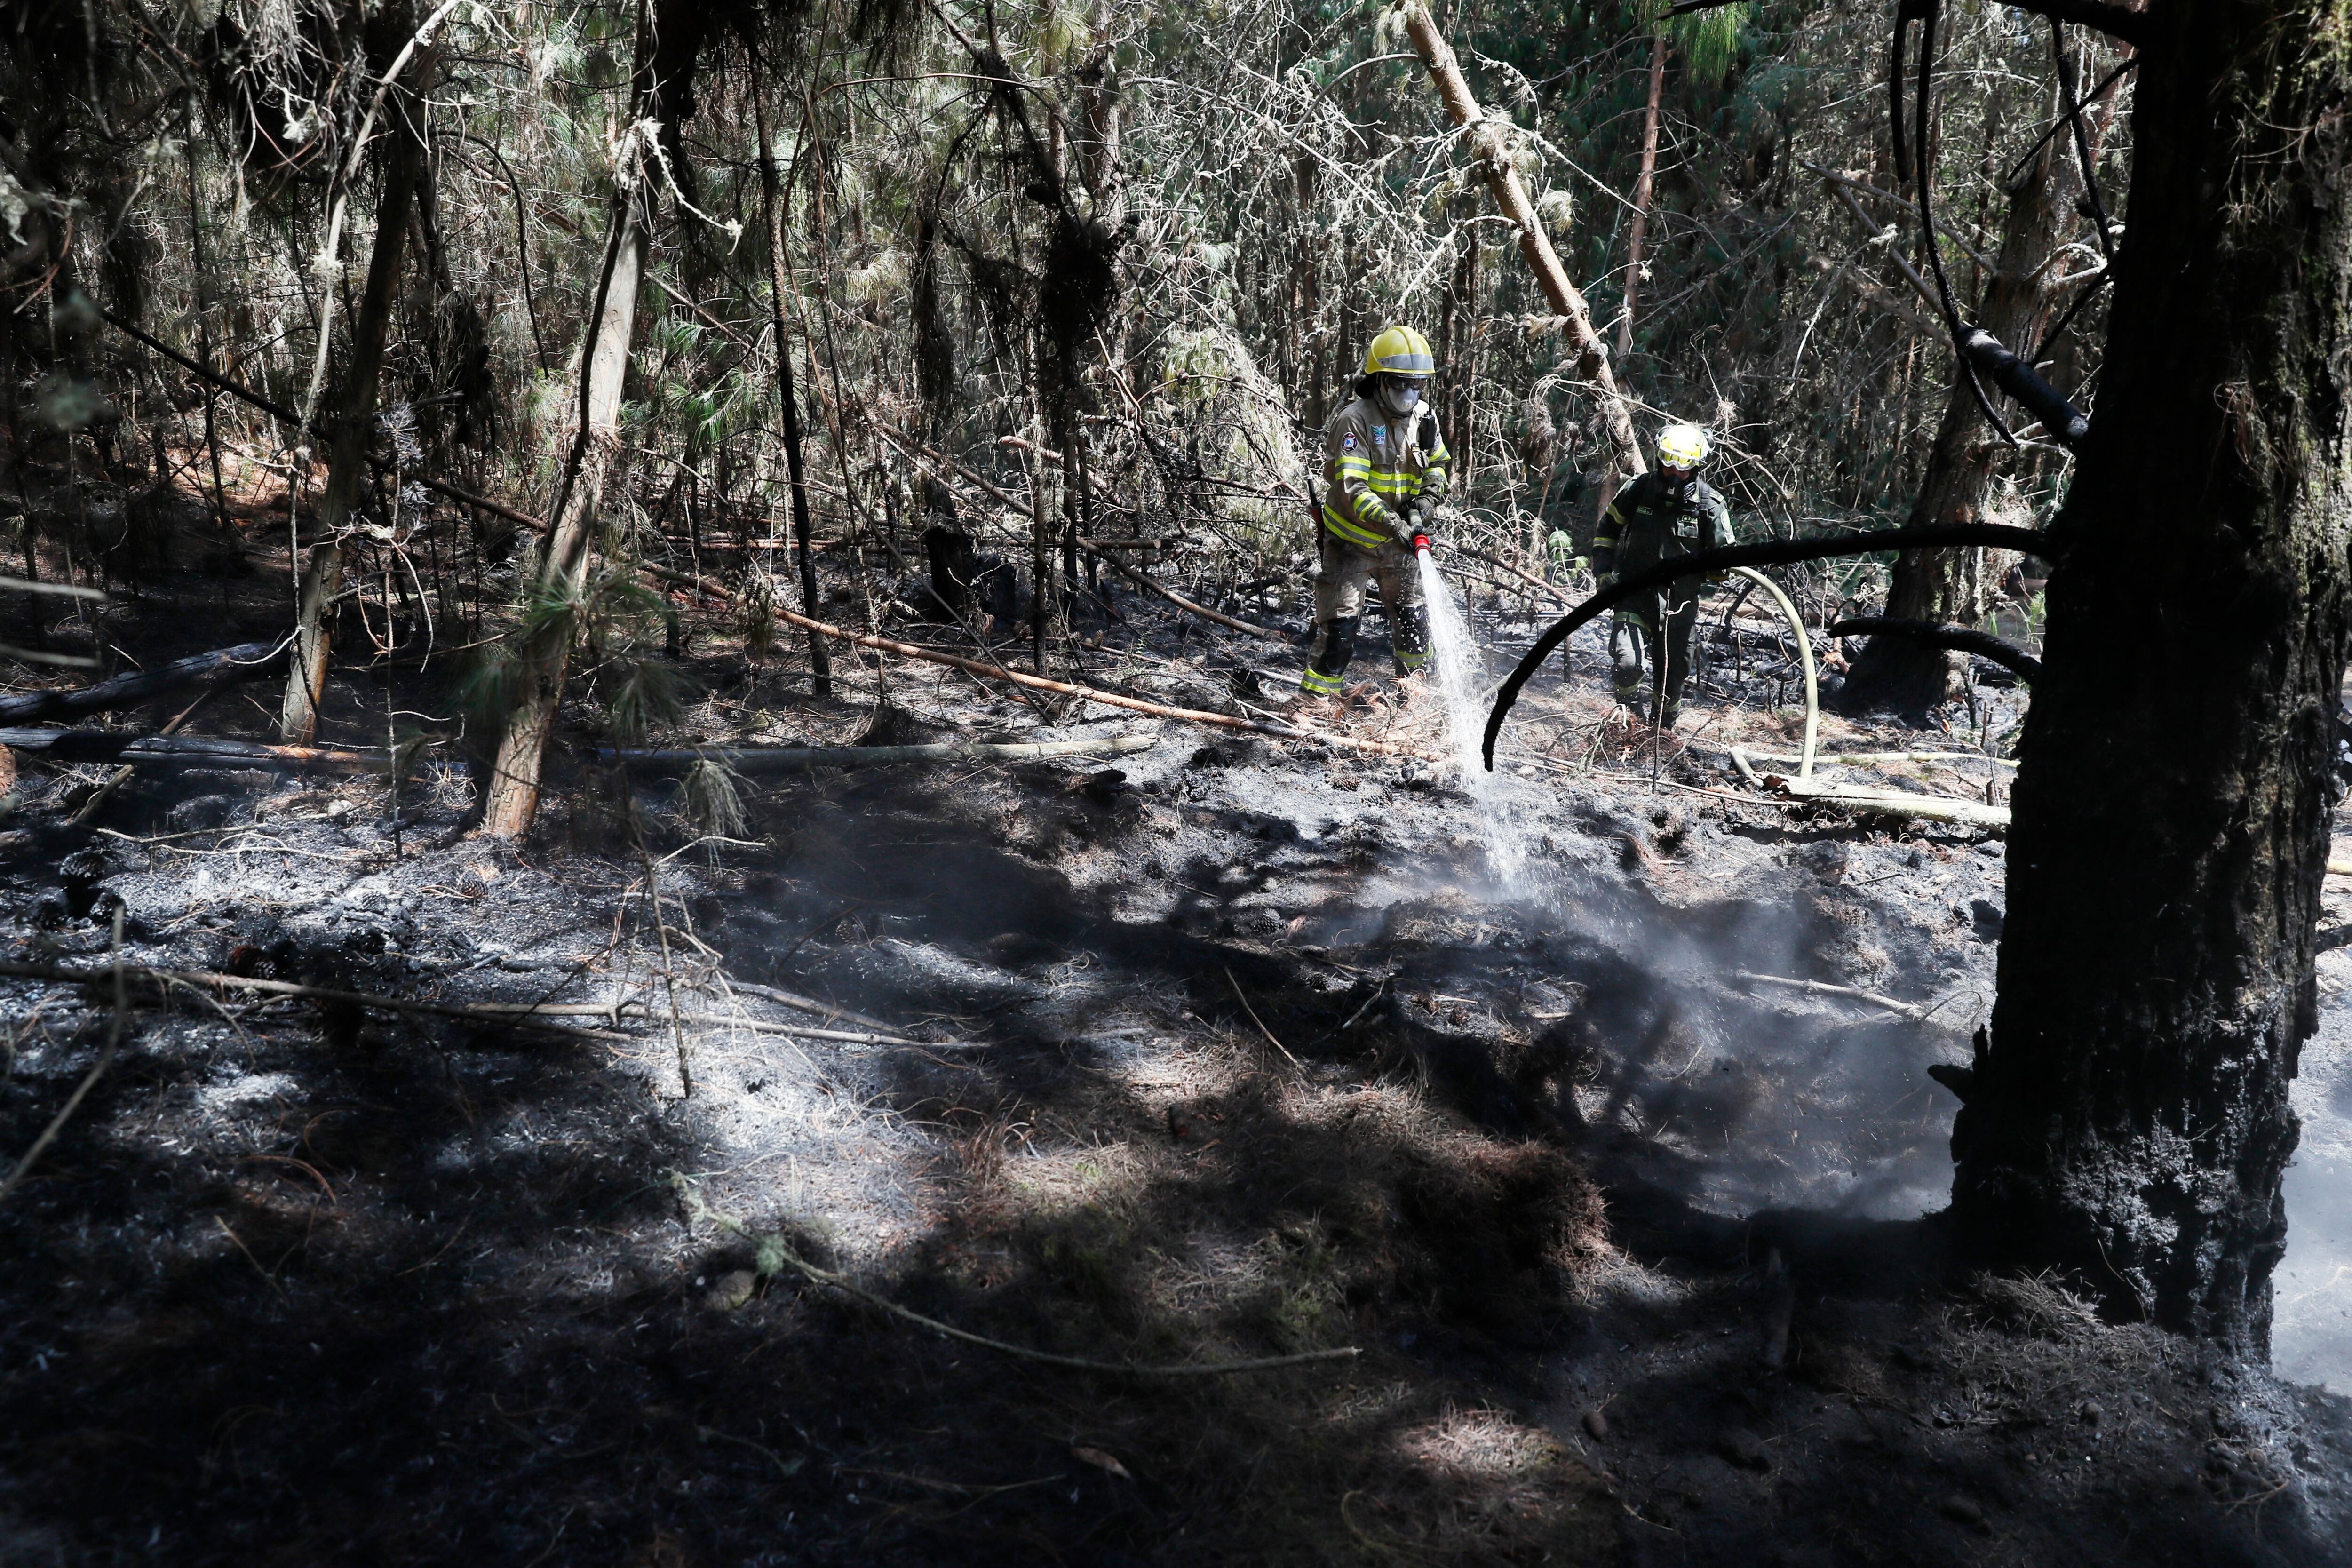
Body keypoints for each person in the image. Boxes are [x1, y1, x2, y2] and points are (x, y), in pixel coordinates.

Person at [1300, 325, 1451, 700]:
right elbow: (1354, 489)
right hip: (1352, 543)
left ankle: (1413, 701)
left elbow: (1438, 465)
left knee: (1414, 625)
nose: (1409, 393)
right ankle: (1314, 706)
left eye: (1417, 384)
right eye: (1401, 383)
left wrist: (1428, 499)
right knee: (1341, 630)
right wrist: (1395, 523)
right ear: (1380, 380)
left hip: (1399, 548)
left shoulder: (1424, 419)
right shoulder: (1356, 421)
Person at [1590, 422, 1732, 727]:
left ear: (1696, 467)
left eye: (1683, 469)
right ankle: (1629, 716)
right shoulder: (1638, 490)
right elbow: (1608, 532)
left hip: (1679, 607)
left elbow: (1722, 568)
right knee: (1628, 663)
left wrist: (1716, 566)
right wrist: (1603, 574)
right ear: (1658, 459)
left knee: (1672, 680)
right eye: (1668, 465)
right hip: (1633, 597)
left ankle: (1662, 733)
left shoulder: (1710, 507)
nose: (1674, 474)